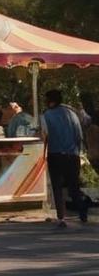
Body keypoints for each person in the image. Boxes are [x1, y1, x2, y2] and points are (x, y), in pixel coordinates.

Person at [41, 89, 88, 227]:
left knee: (57, 186)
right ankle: (82, 208)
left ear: (49, 101)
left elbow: (44, 135)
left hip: (55, 155)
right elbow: (79, 135)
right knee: (73, 186)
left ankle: (61, 217)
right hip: (72, 155)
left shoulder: (46, 115)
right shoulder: (72, 114)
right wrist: (77, 151)